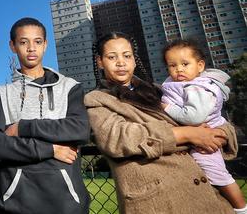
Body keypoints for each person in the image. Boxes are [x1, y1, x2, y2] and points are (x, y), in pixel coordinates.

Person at [85, 32, 239, 213]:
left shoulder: (162, 90)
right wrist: (188, 134)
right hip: (159, 201)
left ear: (134, 60)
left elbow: (213, 117)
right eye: (112, 57)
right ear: (100, 62)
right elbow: (116, 138)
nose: (121, 62)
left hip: (205, 192)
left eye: (127, 55)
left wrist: (218, 135)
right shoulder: (96, 99)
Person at [0, 17, 90, 214]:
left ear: (45, 44)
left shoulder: (69, 87)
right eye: (23, 42)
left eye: (37, 41)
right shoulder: (1, 95)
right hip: (16, 203)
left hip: (67, 203)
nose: (31, 48)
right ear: (13, 46)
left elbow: (79, 130)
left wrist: (23, 127)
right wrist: (50, 149)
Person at [160, 39, 246, 213]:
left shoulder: (198, 88)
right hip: (197, 140)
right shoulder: (179, 84)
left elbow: (194, 117)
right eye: (172, 65)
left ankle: (241, 208)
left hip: (206, 142)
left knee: (219, 176)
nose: (179, 69)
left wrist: (167, 107)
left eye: (185, 64)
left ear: (200, 66)